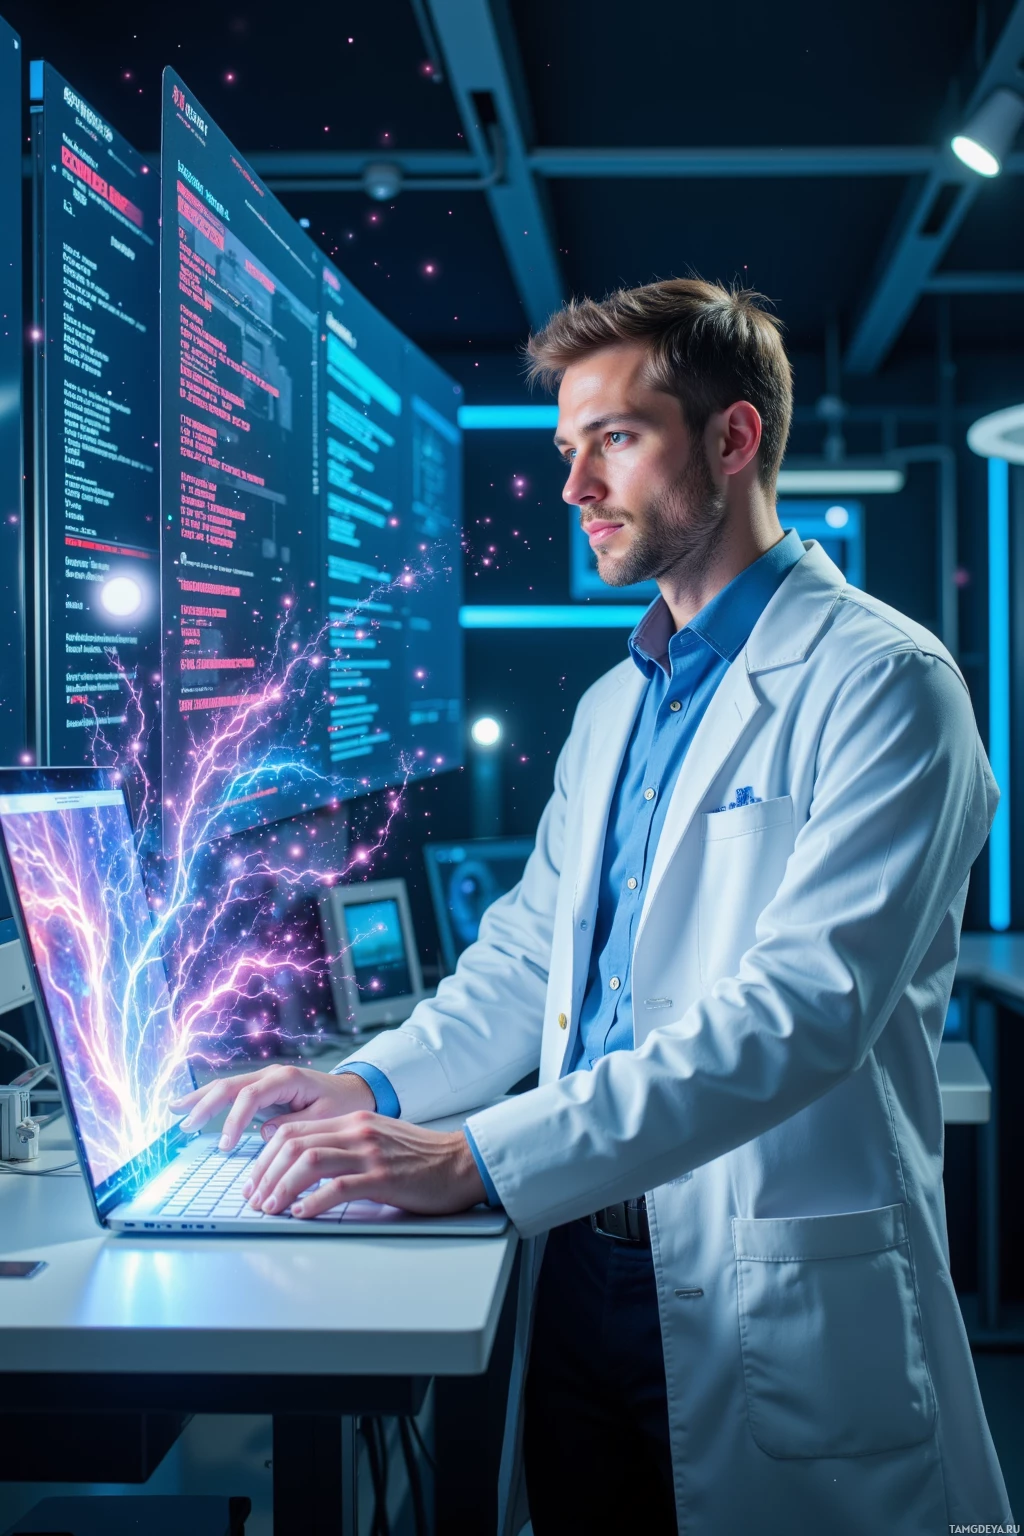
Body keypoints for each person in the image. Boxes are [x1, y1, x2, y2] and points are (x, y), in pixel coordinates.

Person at [173, 278, 1013, 1535]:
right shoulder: (619, 702)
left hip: (758, 1269)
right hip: (574, 1256)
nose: (574, 488)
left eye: (614, 439)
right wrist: (378, 1088)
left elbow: (796, 1017)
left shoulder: (886, 685)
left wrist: (474, 1158)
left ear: (733, 439)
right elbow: (524, 961)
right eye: (569, 449)